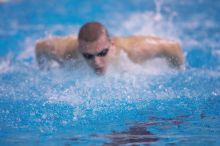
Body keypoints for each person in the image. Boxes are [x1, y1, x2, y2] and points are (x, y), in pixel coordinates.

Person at [35, 21, 184, 74]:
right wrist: (45, 72)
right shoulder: (66, 52)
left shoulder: (134, 51)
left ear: (111, 45)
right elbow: (40, 47)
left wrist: (178, 73)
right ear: (80, 50)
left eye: (102, 53)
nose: (96, 62)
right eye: (88, 56)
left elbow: (173, 47)